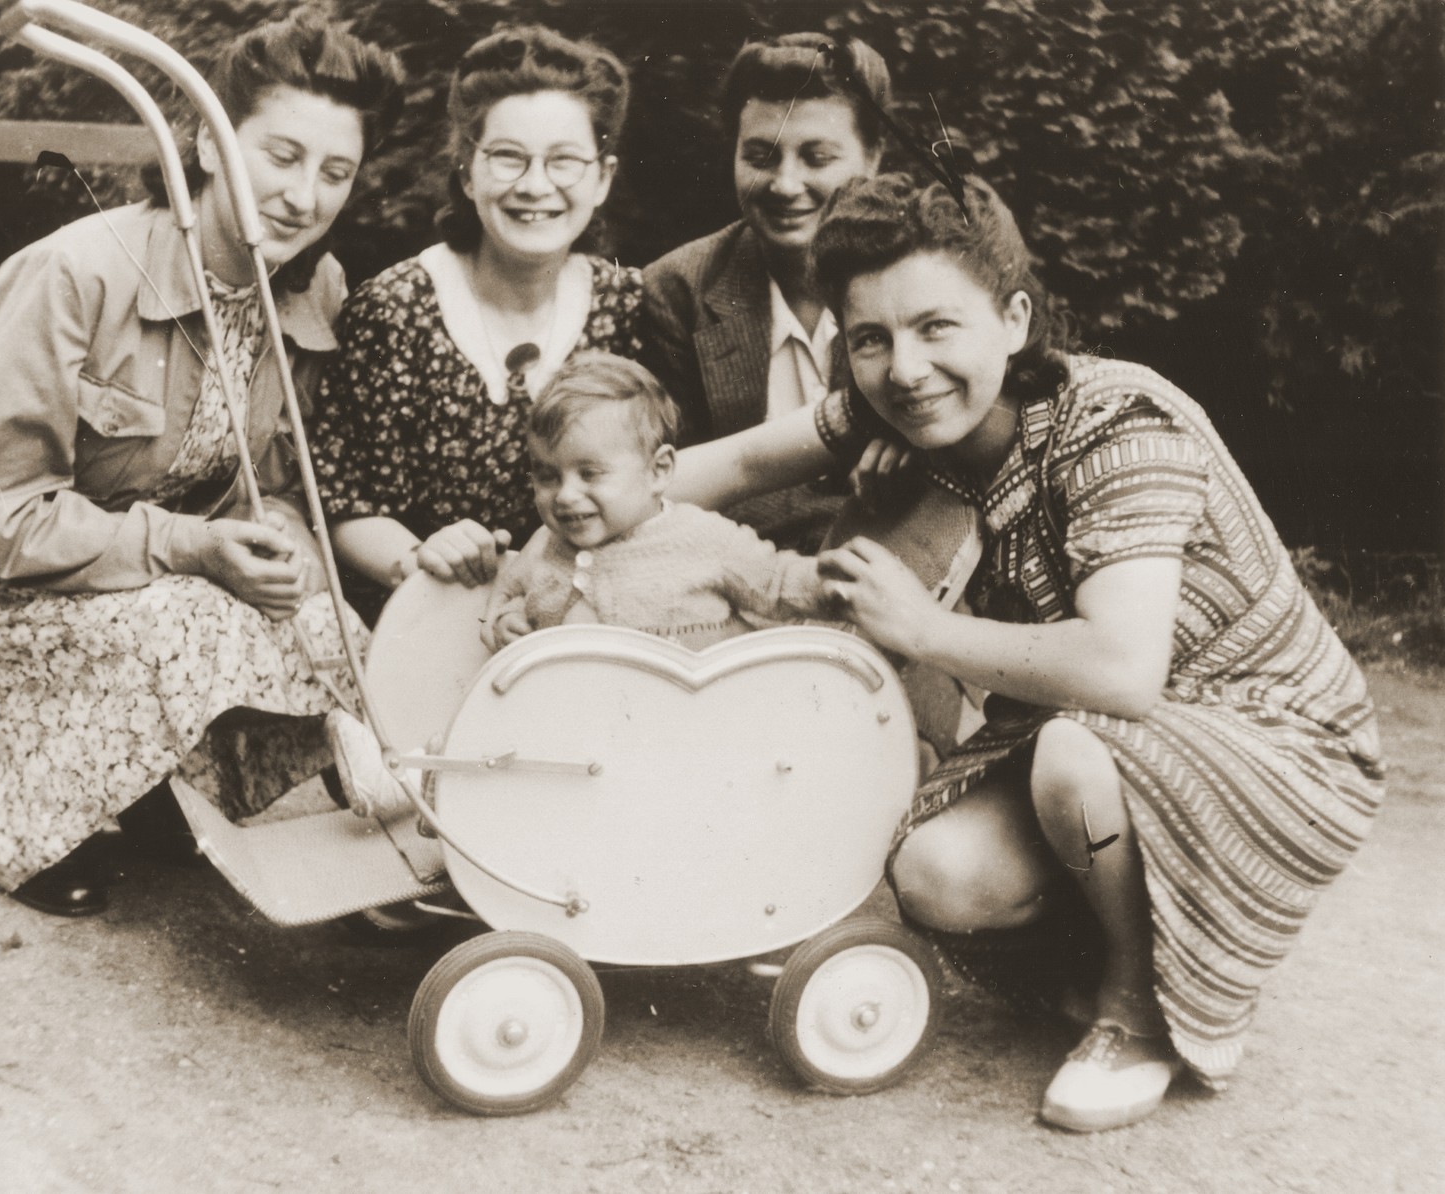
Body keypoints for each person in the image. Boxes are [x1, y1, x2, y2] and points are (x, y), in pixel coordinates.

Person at [683, 173, 1386, 1131]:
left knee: (1074, 761)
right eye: (870, 338)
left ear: (1013, 320)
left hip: (1273, 737)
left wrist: (922, 630)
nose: (906, 366)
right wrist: (566, 521)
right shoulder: (901, 406)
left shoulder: (1117, 421)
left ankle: (1140, 1013)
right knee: (938, 875)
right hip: (1099, 736)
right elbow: (728, 466)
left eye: (938, 326)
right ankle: (1143, 947)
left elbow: (1121, 672)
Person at [0, 12, 405, 917]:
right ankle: (25, 830)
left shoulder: (313, 288)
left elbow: (274, 482)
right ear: (209, 143)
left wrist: (277, 544)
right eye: (280, 156)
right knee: (189, 621)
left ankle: (149, 780)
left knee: (328, 630)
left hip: (148, 555)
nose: (303, 195)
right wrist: (197, 549)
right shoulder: (74, 274)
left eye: (336, 172)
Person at [309, 25, 642, 620]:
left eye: (564, 161)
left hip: (590, 620)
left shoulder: (631, 308)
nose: (535, 186)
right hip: (426, 618)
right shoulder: (394, 311)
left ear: (603, 177)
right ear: (467, 173)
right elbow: (342, 501)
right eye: (508, 158)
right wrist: (420, 557)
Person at [642, 32, 888, 552]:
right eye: (761, 156)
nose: (784, 184)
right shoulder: (679, 289)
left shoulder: (919, 277)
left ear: (873, 159)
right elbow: (665, 488)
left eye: (817, 158)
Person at [482, 351, 830, 652]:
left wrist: (834, 586)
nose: (565, 495)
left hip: (690, 711)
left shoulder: (706, 539)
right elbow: (519, 599)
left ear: (659, 470)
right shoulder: (545, 550)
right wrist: (509, 621)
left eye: (589, 473)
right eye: (548, 477)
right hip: (583, 716)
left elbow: (777, 583)